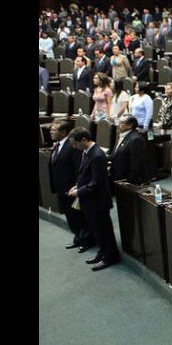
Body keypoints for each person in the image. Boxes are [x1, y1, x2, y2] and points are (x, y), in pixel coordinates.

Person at [68, 127, 120, 271]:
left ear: (84, 140)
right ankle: (102, 252)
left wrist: (79, 192)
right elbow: (85, 174)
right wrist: (77, 185)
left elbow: (96, 182)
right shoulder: (86, 152)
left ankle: (110, 256)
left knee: (104, 231)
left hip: (97, 201)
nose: (73, 147)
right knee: (96, 230)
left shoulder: (97, 155)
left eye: (75, 143)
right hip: (89, 201)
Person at [49, 120, 92, 251]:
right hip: (61, 189)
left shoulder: (73, 146)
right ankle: (78, 237)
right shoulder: (57, 145)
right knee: (70, 216)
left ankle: (86, 241)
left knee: (79, 217)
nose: (50, 132)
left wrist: (77, 186)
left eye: (53, 130)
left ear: (63, 132)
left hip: (71, 189)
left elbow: (79, 168)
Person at [108, 115, 148, 185]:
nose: (118, 124)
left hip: (126, 180)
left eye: (122, 123)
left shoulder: (135, 139)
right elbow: (115, 155)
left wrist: (130, 183)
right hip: (117, 176)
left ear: (130, 125)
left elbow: (135, 165)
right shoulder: (123, 135)